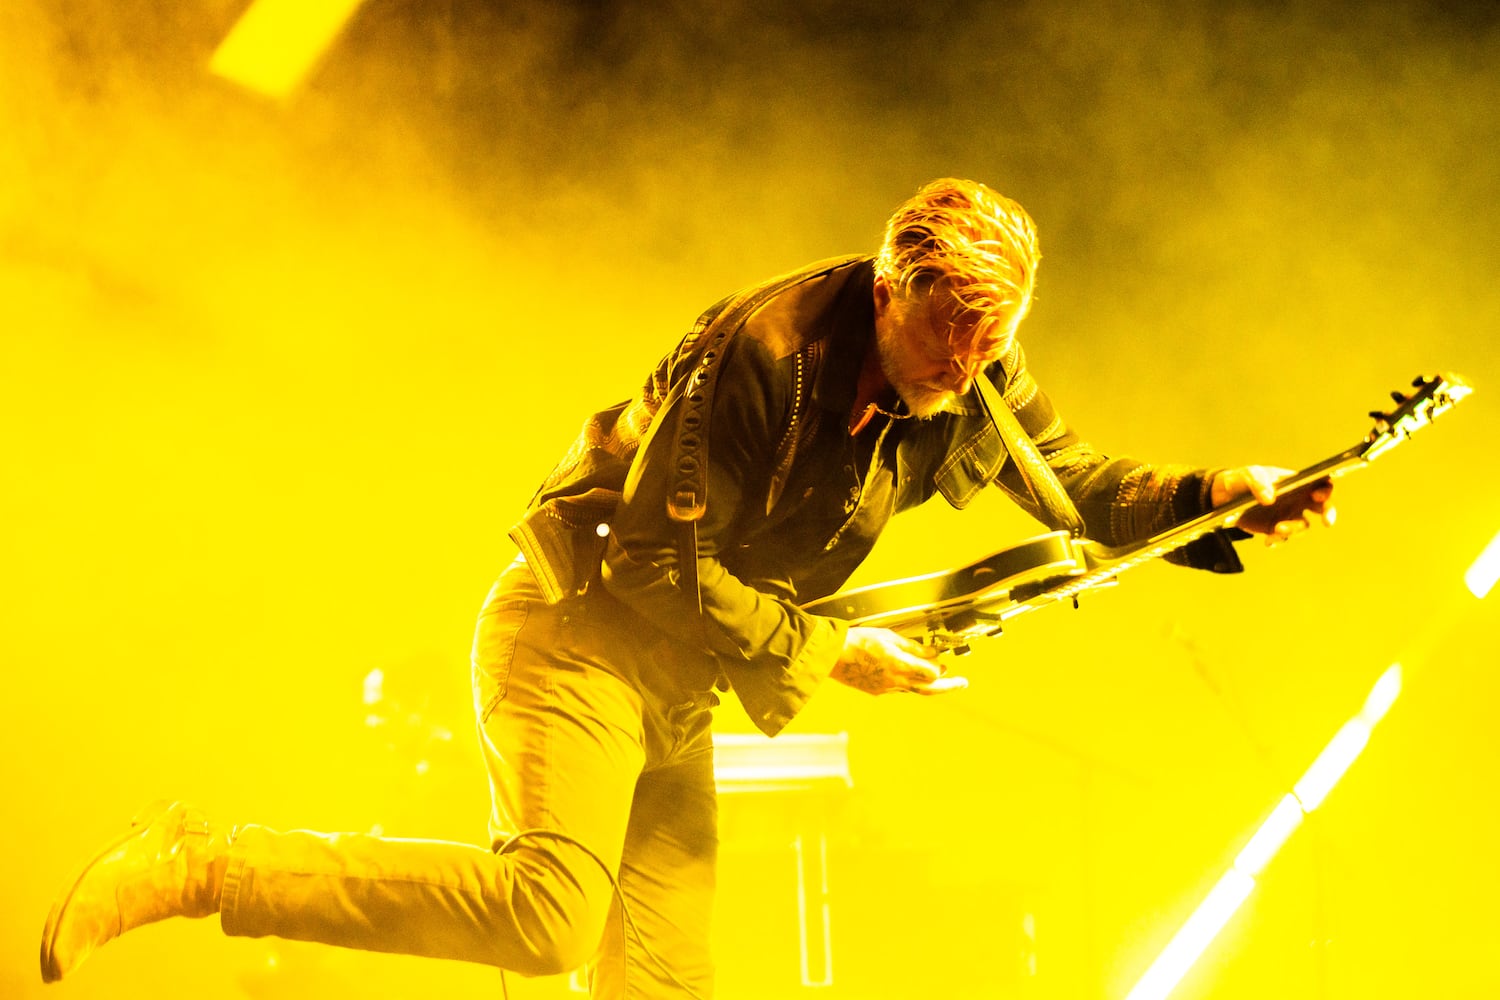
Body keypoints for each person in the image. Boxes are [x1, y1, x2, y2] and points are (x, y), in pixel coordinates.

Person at [39, 178, 1333, 997]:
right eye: (950, 330)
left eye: (995, 339)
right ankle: (206, 865)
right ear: (893, 285)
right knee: (551, 915)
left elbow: (1076, 480)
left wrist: (1219, 493)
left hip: (685, 681)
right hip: (578, 638)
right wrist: (830, 654)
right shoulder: (761, 350)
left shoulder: (978, 367)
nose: (972, 365)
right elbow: (652, 560)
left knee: (665, 983)